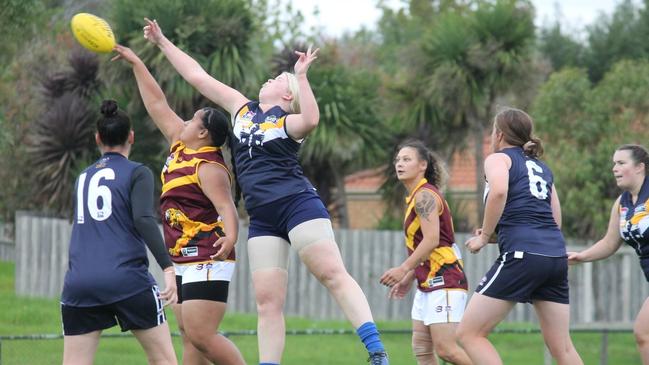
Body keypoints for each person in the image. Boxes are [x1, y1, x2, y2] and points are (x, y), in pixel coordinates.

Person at [142, 18, 389, 365]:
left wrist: (302, 76)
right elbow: (198, 76)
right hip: (262, 218)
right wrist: (162, 41)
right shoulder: (242, 110)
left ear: (287, 95)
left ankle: (376, 350)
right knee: (267, 303)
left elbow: (312, 120)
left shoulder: (287, 122)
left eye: (276, 80)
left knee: (332, 274)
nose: (268, 79)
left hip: (297, 205)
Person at [111, 45, 245, 365]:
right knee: (188, 335)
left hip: (207, 254)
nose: (183, 120)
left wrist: (231, 238)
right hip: (183, 256)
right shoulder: (180, 144)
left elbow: (227, 208)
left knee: (202, 335)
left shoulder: (209, 166)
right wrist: (137, 64)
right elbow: (157, 102)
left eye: (192, 119)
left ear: (203, 132)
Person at [456, 108, 583, 365]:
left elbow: (499, 192)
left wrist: (485, 236)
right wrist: (499, 233)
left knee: (469, 334)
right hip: (555, 256)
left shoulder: (498, 159)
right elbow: (554, 219)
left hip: (522, 255)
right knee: (563, 348)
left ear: (499, 134)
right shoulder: (542, 168)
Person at [61, 100, 177, 365]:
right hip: (128, 281)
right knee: (164, 361)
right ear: (131, 136)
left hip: (81, 283)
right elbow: (144, 219)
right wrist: (168, 268)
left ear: (97, 138)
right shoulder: (138, 173)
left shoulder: (83, 177)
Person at [381, 140, 472, 365]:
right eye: (398, 160)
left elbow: (432, 241)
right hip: (428, 281)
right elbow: (425, 245)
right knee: (422, 349)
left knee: (447, 350)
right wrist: (410, 277)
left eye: (406, 159)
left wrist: (403, 269)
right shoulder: (416, 196)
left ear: (422, 165)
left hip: (445, 279)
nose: (399, 164)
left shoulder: (424, 196)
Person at [568, 144, 649, 364]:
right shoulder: (622, 203)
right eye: (614, 163)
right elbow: (610, 242)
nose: (614, 168)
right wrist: (582, 256)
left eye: (621, 163)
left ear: (640, 167)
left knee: (644, 333)